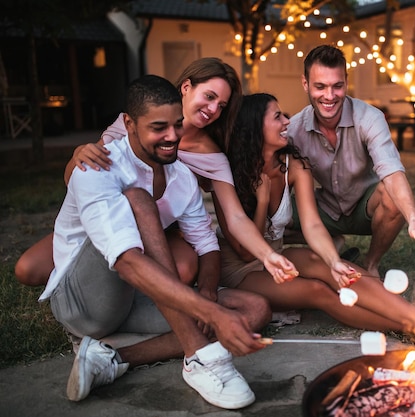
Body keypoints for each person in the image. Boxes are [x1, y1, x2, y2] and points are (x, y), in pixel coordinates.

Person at [38, 74, 274, 410]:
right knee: (139, 199)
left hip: (137, 297)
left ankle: (112, 359)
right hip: (84, 303)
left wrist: (207, 293)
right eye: (159, 127)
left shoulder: (181, 174)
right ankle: (199, 357)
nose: (172, 136)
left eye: (177, 125)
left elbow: (207, 245)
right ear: (130, 124)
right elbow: (127, 262)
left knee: (254, 310)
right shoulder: (98, 166)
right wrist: (210, 314)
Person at [15, 57, 297, 288]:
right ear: (186, 87)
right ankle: (107, 278)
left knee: (185, 269)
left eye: (221, 106)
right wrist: (79, 155)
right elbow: (74, 180)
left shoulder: (212, 156)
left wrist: (268, 255)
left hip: (160, 232)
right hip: (109, 220)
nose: (213, 109)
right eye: (209, 96)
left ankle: (138, 292)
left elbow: (235, 218)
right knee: (27, 270)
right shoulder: (137, 122)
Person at [217, 92, 415, 336]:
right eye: (277, 117)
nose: (286, 122)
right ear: (255, 128)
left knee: (333, 267)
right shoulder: (228, 172)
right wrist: (261, 201)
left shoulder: (294, 165)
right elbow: (243, 251)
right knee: (318, 290)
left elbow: (312, 225)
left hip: (277, 251)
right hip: (240, 269)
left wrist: (333, 260)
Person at [286, 44, 415, 278]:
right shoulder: (294, 129)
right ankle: (329, 240)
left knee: (391, 196)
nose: (329, 96)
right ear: (305, 84)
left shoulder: (370, 117)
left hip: (364, 208)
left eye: (337, 86)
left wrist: (414, 221)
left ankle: (370, 266)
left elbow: (391, 172)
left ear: (346, 81)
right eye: (320, 86)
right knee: (269, 213)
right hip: (323, 209)